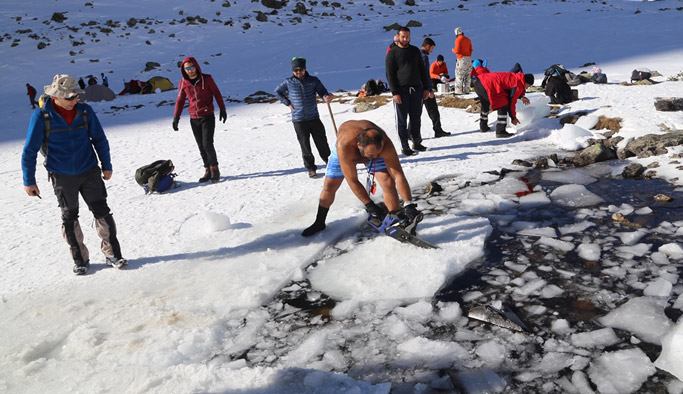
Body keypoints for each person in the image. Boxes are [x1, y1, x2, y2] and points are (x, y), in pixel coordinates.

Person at [21, 74, 127, 275]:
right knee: (69, 217)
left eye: (76, 96)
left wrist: (107, 165)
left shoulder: (85, 111)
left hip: (89, 171)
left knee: (102, 212)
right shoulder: (41, 117)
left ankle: (113, 254)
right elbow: (29, 151)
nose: (76, 100)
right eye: (71, 97)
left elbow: (99, 139)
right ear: (56, 97)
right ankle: (80, 260)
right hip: (61, 175)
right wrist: (29, 181)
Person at [301, 120, 422, 237]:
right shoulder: (344, 146)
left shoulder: (384, 144)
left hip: (371, 147)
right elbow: (352, 180)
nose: (375, 157)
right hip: (346, 151)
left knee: (388, 181)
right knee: (329, 186)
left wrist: (408, 204)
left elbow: (398, 175)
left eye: (377, 154)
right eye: (371, 155)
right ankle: (319, 222)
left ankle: (396, 221)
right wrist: (370, 205)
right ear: (359, 145)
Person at [274, 57, 332, 178]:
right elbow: (277, 92)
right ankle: (311, 168)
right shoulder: (288, 82)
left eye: (300, 69)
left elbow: (322, 91)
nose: (298, 72)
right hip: (299, 119)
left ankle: (330, 164)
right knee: (305, 145)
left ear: (305, 69)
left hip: (313, 117)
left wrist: (325, 96)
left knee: (321, 142)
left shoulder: (313, 80)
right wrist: (287, 102)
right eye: (295, 70)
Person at [173, 56, 227, 183]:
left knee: (208, 144)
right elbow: (180, 100)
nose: (190, 70)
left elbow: (217, 93)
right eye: (187, 69)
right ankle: (207, 169)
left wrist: (222, 109)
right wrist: (176, 117)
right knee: (201, 146)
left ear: (196, 67)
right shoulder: (183, 83)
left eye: (192, 67)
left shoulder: (207, 79)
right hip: (194, 117)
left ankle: (215, 169)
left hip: (207, 116)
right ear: (184, 70)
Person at [385, 26, 431, 156]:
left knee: (416, 117)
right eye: (403, 36)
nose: (406, 39)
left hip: (417, 89)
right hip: (401, 90)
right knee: (402, 119)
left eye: (408, 36)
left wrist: (426, 87)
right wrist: (395, 93)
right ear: (398, 37)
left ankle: (416, 142)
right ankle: (405, 146)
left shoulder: (415, 51)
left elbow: (422, 70)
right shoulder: (392, 53)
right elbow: (390, 74)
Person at [474, 71, 534, 138]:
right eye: (529, 85)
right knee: (503, 104)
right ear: (526, 82)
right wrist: (513, 117)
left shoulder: (517, 78)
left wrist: (521, 97)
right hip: (488, 85)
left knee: (485, 104)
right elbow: (512, 102)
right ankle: (500, 131)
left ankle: (483, 126)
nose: (528, 87)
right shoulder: (517, 84)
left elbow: (509, 91)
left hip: (479, 82)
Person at [420, 38, 450, 138]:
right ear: (428, 46)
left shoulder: (415, 54)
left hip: (415, 88)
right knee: (433, 109)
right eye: (432, 48)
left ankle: (411, 134)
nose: (431, 50)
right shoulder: (424, 57)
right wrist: (429, 89)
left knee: (415, 113)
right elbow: (426, 74)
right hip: (424, 88)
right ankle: (438, 130)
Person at [451, 27, 473, 95]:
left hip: (461, 59)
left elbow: (457, 50)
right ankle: (467, 90)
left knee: (459, 75)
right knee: (467, 75)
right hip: (468, 59)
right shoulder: (468, 39)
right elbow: (471, 49)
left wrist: (453, 50)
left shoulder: (458, 40)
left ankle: (458, 91)